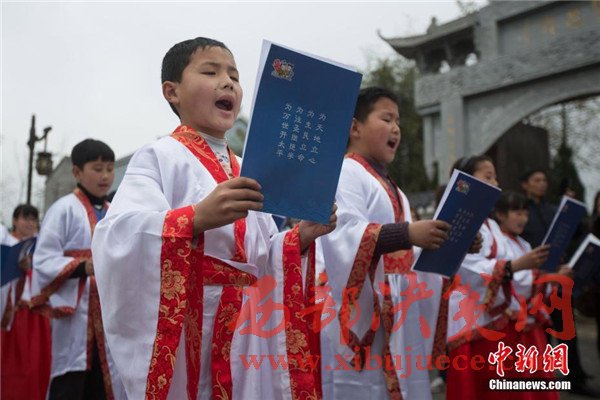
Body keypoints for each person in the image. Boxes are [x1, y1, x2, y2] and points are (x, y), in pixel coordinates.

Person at [91, 37, 335, 400]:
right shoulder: (159, 156)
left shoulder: (247, 168)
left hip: (248, 328)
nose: (228, 83)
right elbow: (117, 236)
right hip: (194, 320)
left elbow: (260, 255)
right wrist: (194, 218)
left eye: (234, 76)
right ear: (172, 91)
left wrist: (299, 237)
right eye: (210, 72)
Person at [318, 87, 452, 399]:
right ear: (355, 127)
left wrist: (444, 242)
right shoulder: (345, 171)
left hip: (400, 306)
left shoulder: (394, 188)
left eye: (398, 122)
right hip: (366, 307)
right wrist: (407, 234)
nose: (396, 129)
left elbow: (411, 252)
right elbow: (344, 235)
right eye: (387, 119)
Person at [445, 155, 551, 400]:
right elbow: (468, 269)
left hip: (496, 317)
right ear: (466, 180)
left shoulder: (491, 225)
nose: (495, 182)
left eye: (495, 176)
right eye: (488, 176)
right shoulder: (458, 218)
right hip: (470, 320)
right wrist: (516, 266)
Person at [30, 139, 125, 400]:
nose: (105, 176)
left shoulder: (117, 213)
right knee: (70, 382)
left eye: (110, 169)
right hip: (76, 316)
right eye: (97, 168)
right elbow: (44, 259)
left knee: (105, 384)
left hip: (109, 314)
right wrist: (85, 266)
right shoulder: (63, 210)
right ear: (77, 172)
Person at [495, 190, 566, 400]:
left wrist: (552, 279)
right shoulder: (497, 243)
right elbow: (508, 279)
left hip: (529, 323)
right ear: (500, 215)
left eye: (525, 213)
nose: (523, 219)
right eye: (517, 213)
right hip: (509, 324)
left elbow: (530, 279)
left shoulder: (524, 244)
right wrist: (542, 276)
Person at [0, 204, 51, 400]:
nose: (30, 223)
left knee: (35, 364)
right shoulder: (5, 241)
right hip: (12, 313)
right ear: (14, 220)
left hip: (35, 313)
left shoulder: (41, 247)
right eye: (25, 218)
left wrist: (31, 267)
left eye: (33, 219)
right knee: (12, 366)